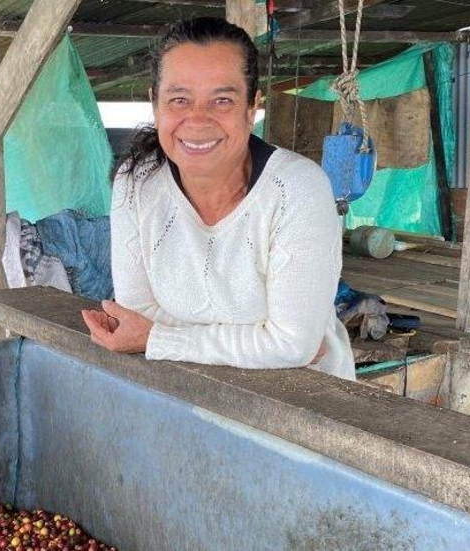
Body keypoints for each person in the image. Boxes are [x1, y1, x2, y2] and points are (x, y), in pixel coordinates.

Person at [81, 17, 355, 381]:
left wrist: (157, 338)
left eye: (222, 100)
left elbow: (295, 347)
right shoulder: (137, 182)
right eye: (179, 99)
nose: (198, 120)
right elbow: (136, 313)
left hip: (303, 402)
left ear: (252, 107)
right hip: (191, 392)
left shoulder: (297, 189)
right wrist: (266, 342)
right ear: (155, 103)